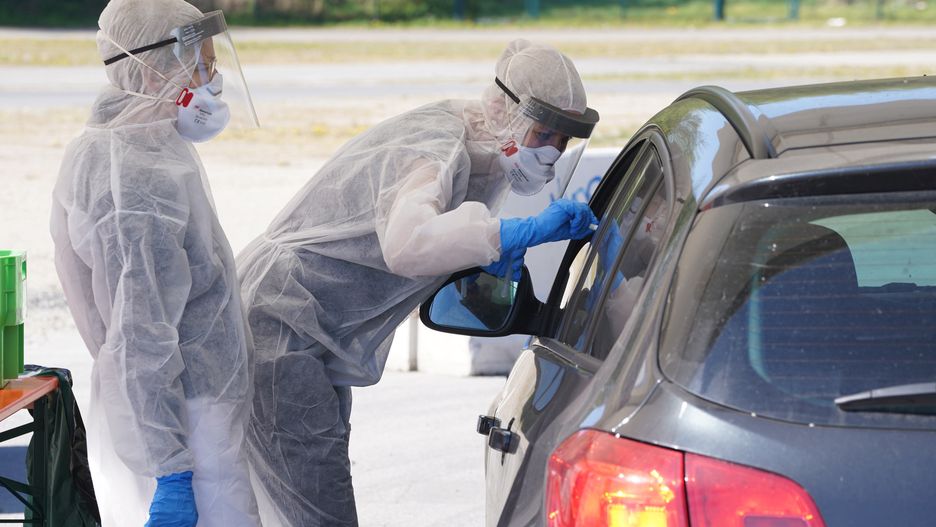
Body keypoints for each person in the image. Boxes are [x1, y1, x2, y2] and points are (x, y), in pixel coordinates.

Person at [237, 39, 600, 526]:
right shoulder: (434, 144)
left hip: (308, 332)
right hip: (281, 325)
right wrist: (519, 233)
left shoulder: (485, 153)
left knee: (304, 499)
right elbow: (408, 243)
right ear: (502, 110)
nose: (551, 155)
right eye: (544, 135)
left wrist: (490, 262)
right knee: (320, 508)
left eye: (563, 143)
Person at [50, 0, 260, 525]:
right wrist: (171, 471)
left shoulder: (148, 142)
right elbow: (140, 331)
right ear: (150, 70)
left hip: (188, 412)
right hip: (183, 422)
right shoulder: (130, 175)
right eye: (200, 66)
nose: (212, 82)